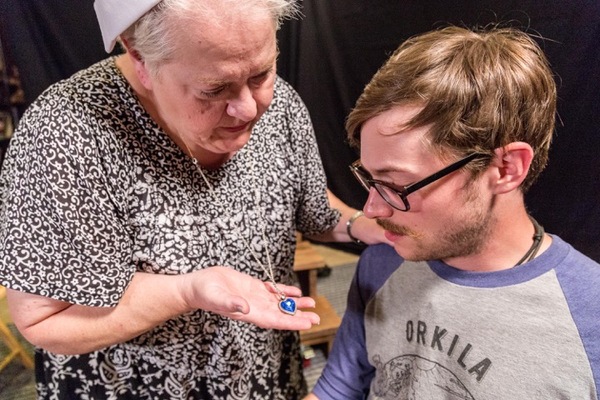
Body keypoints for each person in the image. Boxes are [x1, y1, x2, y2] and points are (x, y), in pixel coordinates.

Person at [0, 0, 387, 398]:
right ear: (140, 57)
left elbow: (311, 209)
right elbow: (46, 321)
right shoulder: (67, 133)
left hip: (262, 379)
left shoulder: (281, 107)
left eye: (262, 73)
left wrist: (362, 225)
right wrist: (187, 291)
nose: (250, 107)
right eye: (213, 89)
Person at [306, 25, 600, 399]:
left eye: (397, 184)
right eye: (370, 177)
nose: (372, 209)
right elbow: (340, 387)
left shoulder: (590, 318)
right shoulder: (381, 264)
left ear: (506, 168)